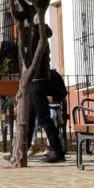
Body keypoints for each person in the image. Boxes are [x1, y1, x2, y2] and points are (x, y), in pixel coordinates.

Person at [29, 25, 67, 163]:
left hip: (37, 81)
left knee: (43, 118)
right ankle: (22, 148)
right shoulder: (41, 41)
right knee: (30, 118)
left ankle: (57, 150)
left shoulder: (38, 40)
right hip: (35, 80)